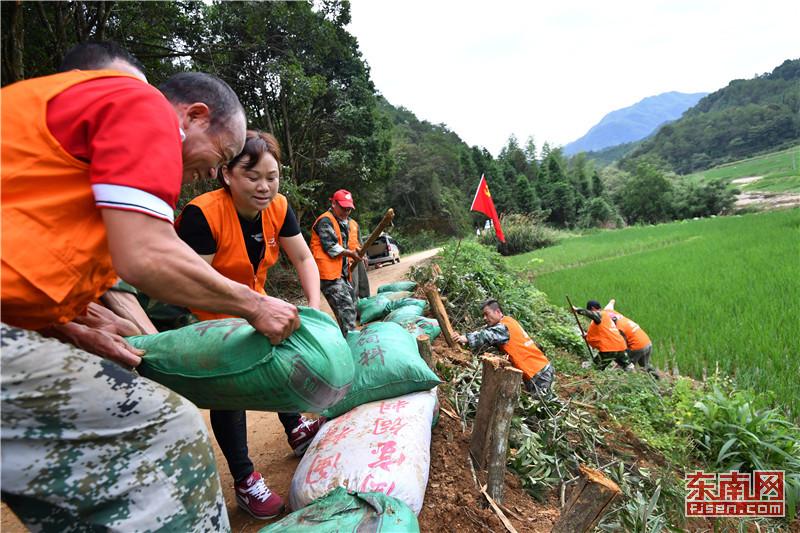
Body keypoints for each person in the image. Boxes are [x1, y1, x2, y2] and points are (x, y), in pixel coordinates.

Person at [1, 42, 299, 531]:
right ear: (195, 116)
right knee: (170, 431)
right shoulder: (139, 103)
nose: (211, 173)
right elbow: (146, 255)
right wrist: (255, 306)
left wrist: (67, 327)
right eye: (221, 155)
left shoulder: (62, 158)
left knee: (80, 481)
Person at [175, 131, 324, 519]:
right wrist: (250, 311)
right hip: (200, 313)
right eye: (253, 176)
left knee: (284, 341)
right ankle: (244, 480)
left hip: (250, 306)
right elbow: (192, 286)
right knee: (230, 388)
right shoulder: (202, 215)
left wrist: (313, 305)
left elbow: (304, 260)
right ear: (226, 174)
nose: (264, 186)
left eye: (272, 177)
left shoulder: (278, 207)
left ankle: (294, 426)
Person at [455, 299, 554, 396]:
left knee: (541, 403)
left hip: (538, 371)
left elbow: (486, 335)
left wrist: (466, 338)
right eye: (483, 315)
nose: (485, 318)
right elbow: (486, 332)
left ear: (497, 312)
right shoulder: (508, 321)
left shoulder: (503, 327)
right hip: (537, 369)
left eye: (487, 314)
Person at [310, 189, 363, 335]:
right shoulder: (325, 221)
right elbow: (331, 247)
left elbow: (351, 245)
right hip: (328, 275)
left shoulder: (345, 223)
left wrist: (358, 253)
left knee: (351, 306)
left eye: (349, 209)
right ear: (333, 203)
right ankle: (352, 344)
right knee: (346, 309)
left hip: (341, 274)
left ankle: (347, 340)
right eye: (343, 208)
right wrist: (350, 253)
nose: (346, 212)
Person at [573, 300, 633, 370]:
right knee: (628, 367)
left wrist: (578, 310)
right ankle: (637, 378)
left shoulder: (600, 314)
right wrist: (587, 336)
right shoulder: (606, 318)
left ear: (592, 308)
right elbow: (604, 333)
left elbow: (592, 314)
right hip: (621, 347)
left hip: (609, 349)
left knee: (593, 368)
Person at [605, 299, 657, 377]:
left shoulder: (619, 328)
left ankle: (630, 380)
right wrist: (612, 300)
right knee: (645, 366)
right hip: (647, 343)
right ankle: (656, 378)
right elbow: (610, 305)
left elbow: (622, 346)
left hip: (638, 347)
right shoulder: (617, 316)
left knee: (627, 365)